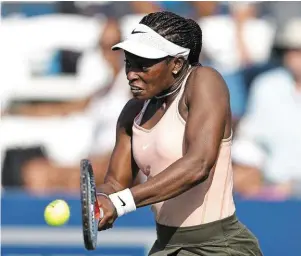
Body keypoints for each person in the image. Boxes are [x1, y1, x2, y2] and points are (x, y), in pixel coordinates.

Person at [95, 11, 262, 256]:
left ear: (176, 64)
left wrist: (120, 203)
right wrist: (100, 199)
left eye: (144, 65)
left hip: (221, 247)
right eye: (129, 63)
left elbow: (198, 165)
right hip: (166, 246)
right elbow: (116, 182)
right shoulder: (132, 112)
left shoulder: (205, 81)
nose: (131, 73)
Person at [232, 18, 301, 199]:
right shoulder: (267, 85)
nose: (296, 56)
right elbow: (250, 139)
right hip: (274, 190)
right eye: (292, 49)